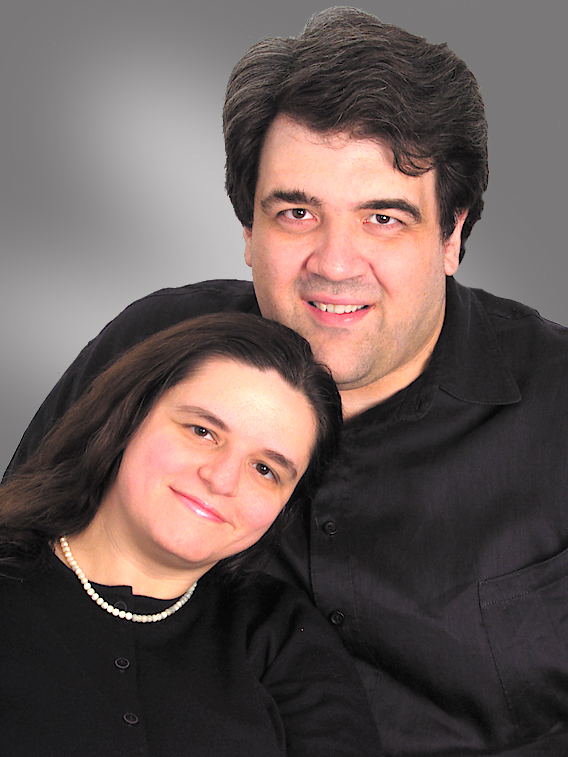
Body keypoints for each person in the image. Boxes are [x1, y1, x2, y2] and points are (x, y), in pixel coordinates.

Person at [4, 6, 568, 755]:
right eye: (297, 212)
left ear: (452, 234)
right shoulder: (155, 349)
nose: (334, 263)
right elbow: (23, 550)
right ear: (248, 229)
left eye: (384, 219)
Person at [0, 312, 383, 756]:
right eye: (202, 431)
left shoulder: (282, 637)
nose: (222, 479)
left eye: (265, 469)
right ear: (128, 416)